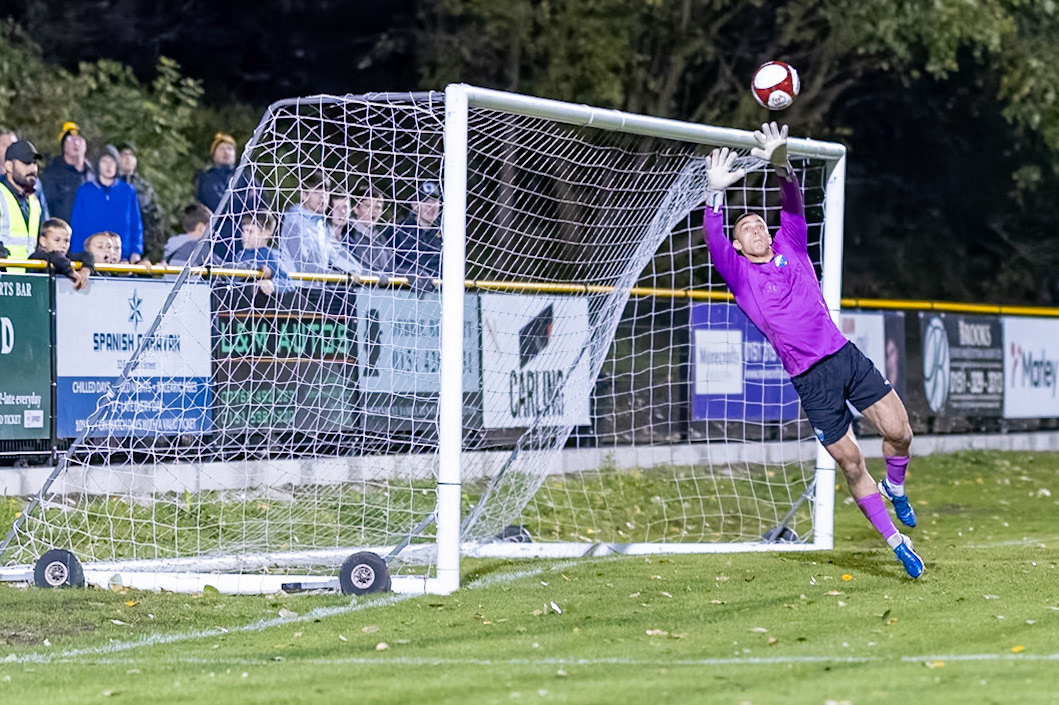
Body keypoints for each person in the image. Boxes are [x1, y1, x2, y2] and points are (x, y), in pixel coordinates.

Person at [702, 122, 923, 579]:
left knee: (900, 432)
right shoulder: (741, 276)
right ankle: (897, 543)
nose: (757, 229)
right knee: (850, 462)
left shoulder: (792, 247)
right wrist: (715, 195)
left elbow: (793, 203)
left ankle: (896, 487)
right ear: (738, 245)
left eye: (760, 224)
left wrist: (782, 166)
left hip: (844, 357)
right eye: (747, 228)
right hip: (810, 379)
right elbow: (713, 238)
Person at [279, 171, 363, 283]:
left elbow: (337, 254)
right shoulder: (293, 222)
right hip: (295, 289)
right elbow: (301, 264)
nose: (323, 197)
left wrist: (361, 272)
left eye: (326, 192)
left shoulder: (321, 224)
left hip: (317, 289)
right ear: (304, 195)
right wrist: (341, 276)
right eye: (316, 192)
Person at [70, 145, 145, 262]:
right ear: (98, 164)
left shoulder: (127, 191)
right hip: (90, 255)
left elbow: (136, 224)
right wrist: (77, 253)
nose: (109, 166)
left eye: (112, 162)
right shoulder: (85, 190)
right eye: (104, 161)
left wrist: (136, 251)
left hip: (121, 255)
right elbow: (77, 223)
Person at [0, 140, 46, 263]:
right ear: (9, 166)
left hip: (28, 273)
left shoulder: (34, 200)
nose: (33, 169)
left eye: (34, 163)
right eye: (26, 163)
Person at [117, 144, 165, 262]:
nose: (128, 158)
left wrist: (151, 249)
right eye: (124, 155)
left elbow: (155, 219)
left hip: (142, 247)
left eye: (131, 155)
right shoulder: (109, 185)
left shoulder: (145, 188)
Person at [42, 121, 93, 223]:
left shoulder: (93, 176)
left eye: (79, 139)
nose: (76, 143)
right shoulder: (52, 175)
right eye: (70, 139)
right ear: (63, 145)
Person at [391, 181, 442, 283]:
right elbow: (390, 265)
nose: (431, 206)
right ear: (414, 205)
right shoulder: (399, 231)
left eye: (434, 201)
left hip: (441, 287)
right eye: (426, 202)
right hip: (406, 288)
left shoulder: (446, 233)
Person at [235, 211, 296, 296]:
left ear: (266, 233)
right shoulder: (240, 255)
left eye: (250, 231)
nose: (244, 235)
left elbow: (289, 283)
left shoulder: (270, 255)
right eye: (243, 231)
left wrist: (272, 285)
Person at [337, 187, 393, 279]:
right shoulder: (347, 234)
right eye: (367, 206)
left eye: (378, 208)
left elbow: (391, 267)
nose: (373, 211)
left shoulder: (382, 239)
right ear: (356, 209)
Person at [31, 218, 92, 290]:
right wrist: (73, 273)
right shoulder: (37, 257)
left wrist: (85, 271)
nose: (63, 245)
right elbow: (55, 257)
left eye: (66, 241)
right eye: (57, 240)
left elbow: (88, 255)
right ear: (43, 241)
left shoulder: (66, 257)